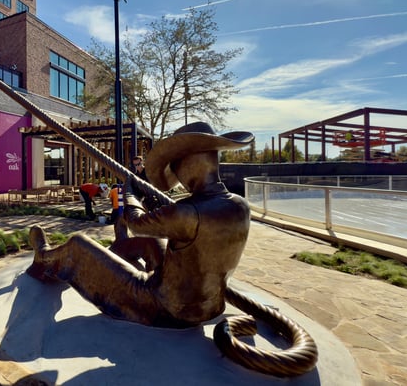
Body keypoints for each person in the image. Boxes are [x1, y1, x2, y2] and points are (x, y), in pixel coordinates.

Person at [26, 122, 254, 328]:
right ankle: (122, 246)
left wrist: (129, 193)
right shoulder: (241, 206)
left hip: (164, 307)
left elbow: (137, 223)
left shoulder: (188, 212)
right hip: (209, 306)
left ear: (187, 165)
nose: (176, 174)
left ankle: (44, 257)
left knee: (77, 244)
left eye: (175, 166)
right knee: (154, 240)